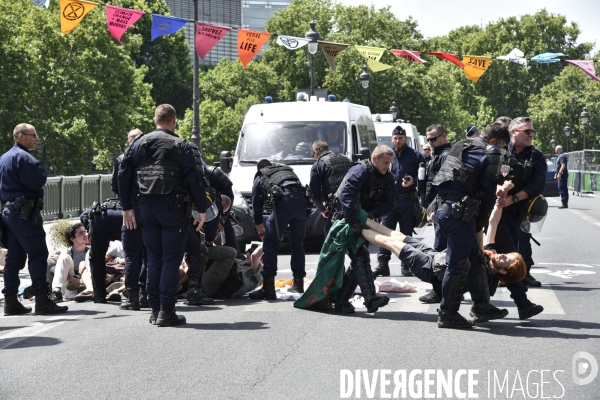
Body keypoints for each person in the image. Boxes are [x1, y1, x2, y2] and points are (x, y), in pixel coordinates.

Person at [119, 104, 207, 327]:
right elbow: (195, 178)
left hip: (146, 208)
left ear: (154, 120)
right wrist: (202, 208)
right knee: (170, 259)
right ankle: (167, 311)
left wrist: (127, 207)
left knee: (154, 258)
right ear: (174, 120)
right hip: (173, 210)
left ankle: (155, 309)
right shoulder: (181, 145)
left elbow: (123, 172)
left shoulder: (139, 143)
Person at [361, 218, 527, 322]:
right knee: (398, 235)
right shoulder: (491, 254)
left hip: (430, 268)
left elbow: (476, 241)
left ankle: (356, 228)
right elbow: (492, 223)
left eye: (506, 260)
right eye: (507, 254)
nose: (503, 255)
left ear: (504, 272)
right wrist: (498, 199)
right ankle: (363, 218)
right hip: (436, 256)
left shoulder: (487, 281)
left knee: (391, 243)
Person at [431, 122, 510, 328]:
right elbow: (488, 194)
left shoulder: (462, 145)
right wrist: (480, 225)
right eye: (502, 146)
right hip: (460, 215)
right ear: (493, 141)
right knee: (457, 265)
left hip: (444, 210)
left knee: (475, 258)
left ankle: (482, 306)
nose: (502, 151)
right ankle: (447, 314)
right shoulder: (491, 153)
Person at [0, 123, 67, 315]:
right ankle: (42, 301)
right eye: (33, 135)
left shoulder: (4, 158)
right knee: (38, 254)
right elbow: (38, 181)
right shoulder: (24, 158)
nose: (37, 138)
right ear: (21, 136)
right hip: (24, 213)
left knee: (14, 257)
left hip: (9, 213)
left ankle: (11, 301)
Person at [334, 145, 395, 313]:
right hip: (345, 220)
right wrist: (355, 221)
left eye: (390, 163)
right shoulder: (360, 171)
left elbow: (389, 203)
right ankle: (370, 298)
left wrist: (368, 215)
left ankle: (340, 301)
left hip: (363, 221)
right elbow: (346, 197)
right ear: (374, 159)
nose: (387, 167)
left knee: (358, 262)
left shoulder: (388, 178)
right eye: (385, 162)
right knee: (361, 255)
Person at [495, 117, 547, 297]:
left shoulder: (537, 156)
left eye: (532, 131)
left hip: (522, 208)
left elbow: (537, 185)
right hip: (499, 208)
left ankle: (524, 274)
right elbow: (490, 177)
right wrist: (500, 196)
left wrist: (514, 198)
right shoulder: (500, 152)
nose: (531, 135)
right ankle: (499, 276)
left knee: (523, 241)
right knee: (498, 244)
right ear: (513, 132)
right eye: (527, 131)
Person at [249, 159, 308, 299]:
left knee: (270, 245)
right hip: (302, 201)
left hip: (285, 203)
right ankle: (298, 284)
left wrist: (262, 232)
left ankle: (268, 289)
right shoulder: (286, 170)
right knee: (297, 244)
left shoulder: (261, 175)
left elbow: (256, 208)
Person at [374, 125, 426, 277]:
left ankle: (406, 265)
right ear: (392, 139)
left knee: (405, 235)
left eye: (400, 138)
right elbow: (376, 173)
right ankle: (383, 264)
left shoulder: (416, 155)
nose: (397, 141)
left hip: (407, 201)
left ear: (406, 139)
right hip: (388, 201)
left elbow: (424, 178)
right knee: (385, 233)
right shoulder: (386, 155)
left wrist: (413, 181)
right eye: (395, 138)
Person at [418, 124, 453, 304]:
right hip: (439, 208)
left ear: (443, 137)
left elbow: (443, 188)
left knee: (440, 251)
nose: (430, 142)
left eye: (433, 138)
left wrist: (432, 208)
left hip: (442, 209)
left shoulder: (445, 156)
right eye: (428, 139)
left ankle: (439, 292)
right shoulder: (438, 155)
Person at [114, 128, 147, 311]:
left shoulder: (122, 159)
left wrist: (127, 206)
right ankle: (146, 294)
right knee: (150, 255)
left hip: (131, 211)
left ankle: (133, 295)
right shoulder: (150, 158)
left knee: (132, 256)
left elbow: (115, 185)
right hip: (150, 210)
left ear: (129, 142)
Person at [309, 140, 353, 235]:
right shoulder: (346, 159)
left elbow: (314, 192)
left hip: (337, 205)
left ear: (315, 152)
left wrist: (322, 209)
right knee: (352, 232)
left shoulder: (317, 165)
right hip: (354, 202)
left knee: (330, 233)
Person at [49, 222, 91, 302]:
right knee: (64, 258)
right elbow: (56, 270)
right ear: (72, 239)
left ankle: (87, 288)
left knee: (92, 256)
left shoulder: (90, 250)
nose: (85, 234)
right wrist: (75, 280)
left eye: (85, 231)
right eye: (81, 233)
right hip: (70, 287)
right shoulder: (67, 252)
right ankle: (56, 291)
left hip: (89, 283)